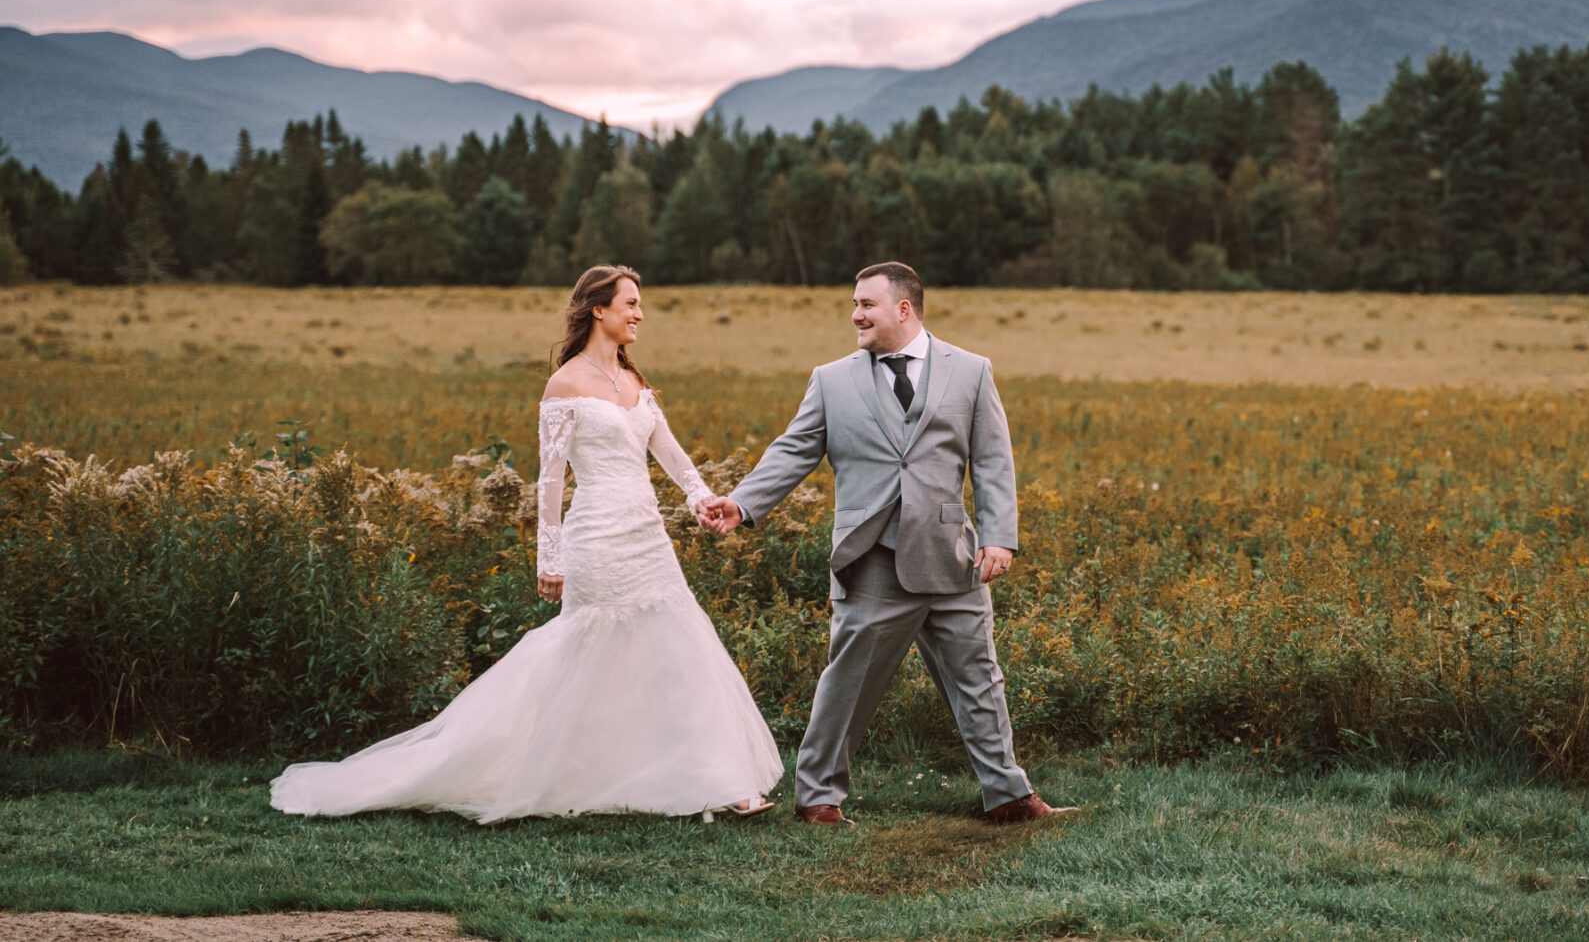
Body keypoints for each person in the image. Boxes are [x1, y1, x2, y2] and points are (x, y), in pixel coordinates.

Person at [271, 265, 783, 823]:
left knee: (681, 654)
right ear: (598, 310)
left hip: (647, 538)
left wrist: (702, 500)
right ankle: (548, 771)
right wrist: (551, 556)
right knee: (585, 654)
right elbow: (551, 479)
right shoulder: (564, 384)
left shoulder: (637, 384)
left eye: (640, 305)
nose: (639, 314)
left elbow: (672, 456)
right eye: (630, 304)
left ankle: (718, 780)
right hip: (596, 537)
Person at [696, 261, 1075, 825]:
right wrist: (744, 502)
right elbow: (794, 449)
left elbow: (992, 458)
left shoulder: (970, 371)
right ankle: (818, 797)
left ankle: (1009, 795)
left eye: (866, 304)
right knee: (848, 682)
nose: (855, 314)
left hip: (955, 557)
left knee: (980, 680)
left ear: (904, 308)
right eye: (853, 304)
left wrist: (999, 538)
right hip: (869, 558)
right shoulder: (832, 379)